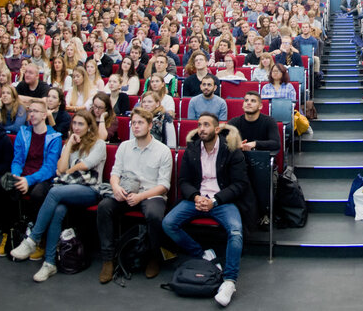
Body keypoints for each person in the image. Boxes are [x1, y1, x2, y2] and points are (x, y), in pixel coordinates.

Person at [163, 113, 254, 306]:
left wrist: (215, 201)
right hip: (196, 199)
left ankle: (229, 281)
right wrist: (195, 196)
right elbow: (184, 181)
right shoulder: (192, 150)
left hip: (222, 201)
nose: (201, 129)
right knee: (169, 223)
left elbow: (239, 184)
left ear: (217, 129)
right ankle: (202, 253)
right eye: (199, 125)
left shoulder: (231, 151)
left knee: (235, 232)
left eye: (206, 125)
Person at [10, 110, 106, 282]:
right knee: (58, 210)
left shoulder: (99, 144)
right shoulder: (71, 143)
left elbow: (85, 165)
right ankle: (49, 263)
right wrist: (69, 144)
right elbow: (61, 168)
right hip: (68, 189)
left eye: (81, 124)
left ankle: (33, 239)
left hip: (90, 190)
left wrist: (67, 170)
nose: (76, 127)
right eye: (74, 124)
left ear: (90, 127)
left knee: (53, 191)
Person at [97, 107, 172, 283]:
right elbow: (115, 172)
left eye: (140, 123)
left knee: (154, 215)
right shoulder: (124, 146)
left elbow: (164, 186)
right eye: (133, 123)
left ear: (150, 125)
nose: (136, 126)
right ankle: (108, 259)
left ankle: (154, 257)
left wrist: (140, 197)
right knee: (104, 207)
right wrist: (115, 187)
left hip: (151, 194)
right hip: (126, 190)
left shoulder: (162, 151)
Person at [0, 98, 61, 257]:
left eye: (36, 111)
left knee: (38, 194)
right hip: (22, 175)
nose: (31, 114)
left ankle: (38, 239)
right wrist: (16, 176)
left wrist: (28, 180)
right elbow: (17, 160)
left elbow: (50, 168)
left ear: (44, 115)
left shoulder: (55, 137)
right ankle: (8, 231)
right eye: (30, 111)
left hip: (41, 179)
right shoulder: (23, 133)